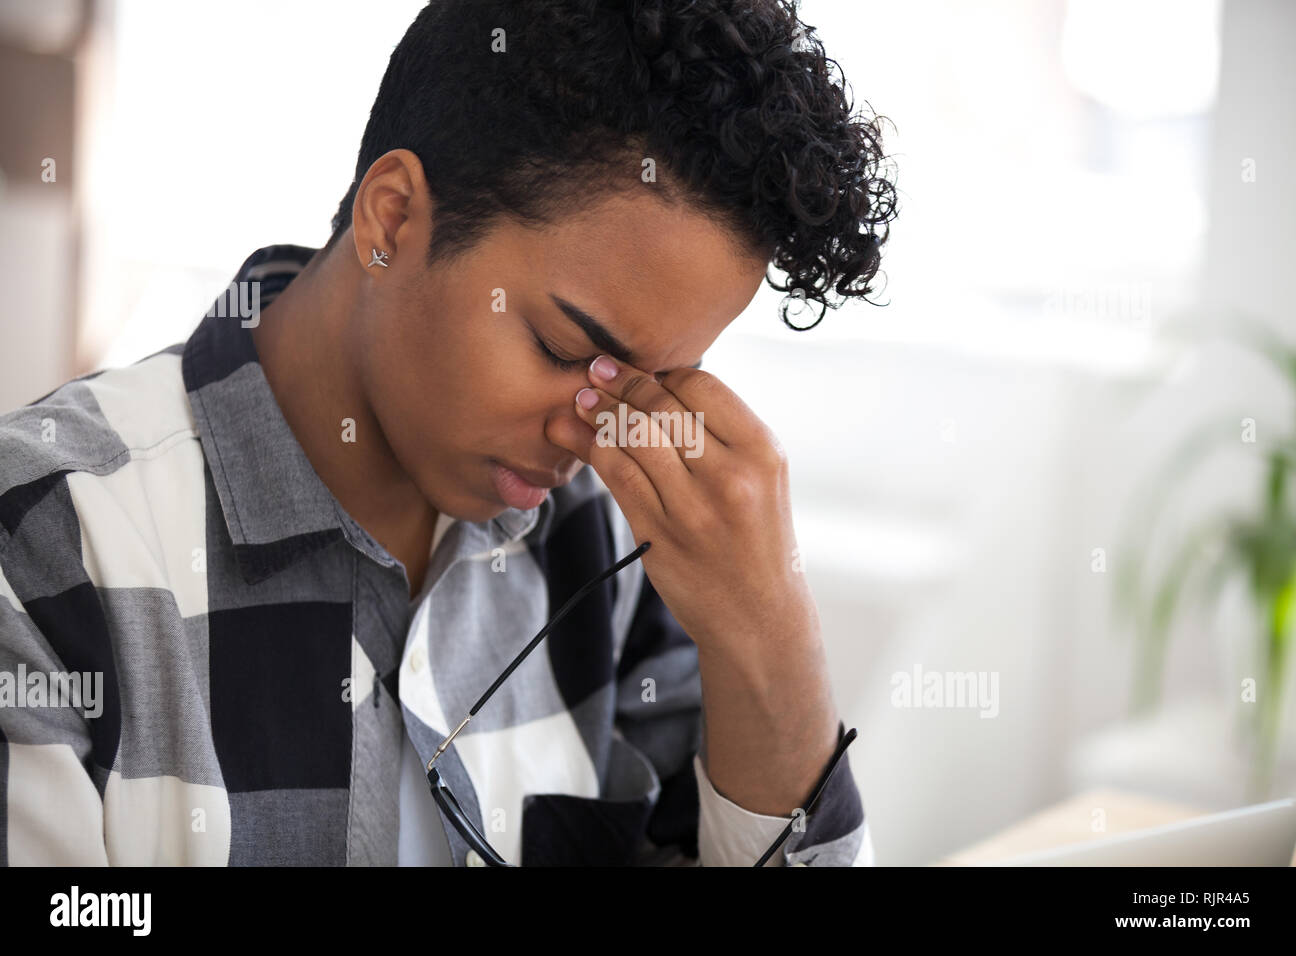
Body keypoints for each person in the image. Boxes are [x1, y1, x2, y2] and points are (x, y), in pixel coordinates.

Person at [0, 0, 894, 866]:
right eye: (562, 347)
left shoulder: (615, 546)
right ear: (390, 219)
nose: (594, 435)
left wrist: (773, 644)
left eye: (653, 388)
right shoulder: (43, 556)